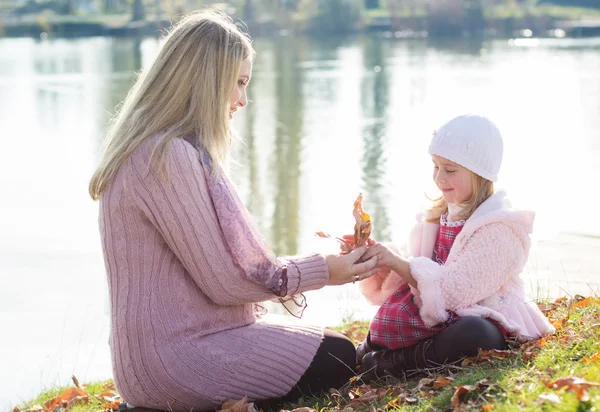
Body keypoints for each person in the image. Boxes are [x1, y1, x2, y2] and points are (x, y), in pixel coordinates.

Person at [88, 10, 380, 411]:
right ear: (206, 81)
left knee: (331, 346)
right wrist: (324, 271)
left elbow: (224, 274)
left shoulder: (162, 149)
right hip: (173, 361)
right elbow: (225, 281)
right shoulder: (165, 156)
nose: (243, 100)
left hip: (171, 350)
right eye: (239, 84)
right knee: (337, 356)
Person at [354, 114, 554, 380]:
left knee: (475, 334)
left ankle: (396, 362)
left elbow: (455, 292)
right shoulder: (438, 215)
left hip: (479, 312)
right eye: (435, 166)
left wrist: (397, 263)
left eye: (450, 170)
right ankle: (366, 351)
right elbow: (410, 258)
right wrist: (378, 256)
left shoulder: (501, 230)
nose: (439, 177)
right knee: (395, 313)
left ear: (480, 174)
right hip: (433, 313)